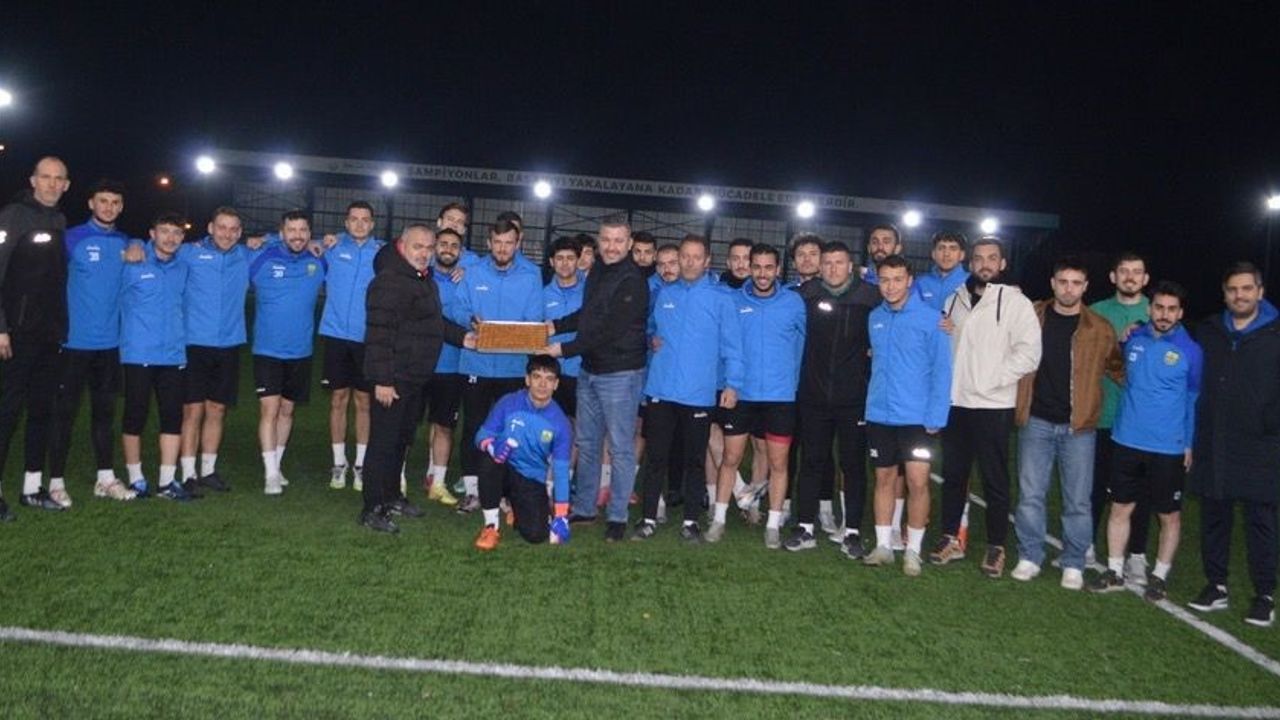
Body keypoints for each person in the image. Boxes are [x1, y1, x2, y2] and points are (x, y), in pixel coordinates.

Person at [930, 237, 1041, 578]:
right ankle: (950, 538)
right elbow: (949, 348)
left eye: (992, 258)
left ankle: (996, 546)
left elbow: (1029, 353)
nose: (985, 264)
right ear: (971, 263)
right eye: (979, 258)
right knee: (953, 475)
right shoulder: (954, 299)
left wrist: (992, 379)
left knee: (995, 480)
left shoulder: (1016, 302)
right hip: (957, 403)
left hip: (994, 404)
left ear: (1002, 264)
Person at [1011, 257, 1123, 590]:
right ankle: (1030, 555)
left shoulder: (1100, 328)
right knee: (1031, 494)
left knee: (1078, 500)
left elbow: (1118, 368)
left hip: (1079, 427)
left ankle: (1074, 562)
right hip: (1036, 420)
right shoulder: (1032, 316)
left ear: (1085, 287)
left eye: (1075, 283)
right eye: (1063, 282)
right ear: (1053, 283)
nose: (1068, 289)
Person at [1089, 281, 1200, 601]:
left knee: (1169, 515)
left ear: (1180, 313)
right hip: (1126, 440)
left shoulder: (1191, 351)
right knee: (1120, 507)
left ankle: (1160, 576)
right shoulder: (1133, 339)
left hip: (1168, 447)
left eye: (1171, 309)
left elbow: (1192, 399)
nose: (1164, 314)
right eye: (1159, 307)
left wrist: (1188, 443)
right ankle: (1114, 571)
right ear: (1150, 309)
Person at [631, 233, 744, 543]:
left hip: (698, 393)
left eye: (696, 257)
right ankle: (648, 518)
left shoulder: (721, 298)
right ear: (678, 259)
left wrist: (733, 384)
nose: (690, 262)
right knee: (656, 458)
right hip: (661, 390)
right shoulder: (664, 294)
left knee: (695, 459)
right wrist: (650, 339)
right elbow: (649, 329)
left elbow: (733, 346)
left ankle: (691, 521)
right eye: (685, 256)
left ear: (707, 261)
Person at [544, 216, 649, 541]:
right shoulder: (597, 270)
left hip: (620, 373)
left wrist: (564, 349)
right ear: (598, 241)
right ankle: (585, 507)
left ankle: (617, 516)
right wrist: (556, 325)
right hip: (590, 370)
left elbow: (608, 330)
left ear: (629, 244)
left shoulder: (633, 280)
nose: (611, 247)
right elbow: (589, 316)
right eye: (606, 240)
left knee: (619, 448)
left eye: (618, 241)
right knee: (587, 443)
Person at [1187, 262, 1280, 628]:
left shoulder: (1275, 333)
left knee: (1261, 521)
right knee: (1215, 516)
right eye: (1232, 290)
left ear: (1260, 291)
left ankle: (1264, 595)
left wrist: (1269, 423)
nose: (1239, 296)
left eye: (1246, 289)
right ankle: (1216, 585)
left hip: (1261, 445)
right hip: (1215, 441)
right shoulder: (1209, 330)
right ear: (1224, 294)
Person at [359, 225, 466, 533]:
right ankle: (372, 507)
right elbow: (379, 334)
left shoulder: (422, 279)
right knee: (383, 443)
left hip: (414, 378)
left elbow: (435, 323)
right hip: (392, 380)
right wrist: (383, 380)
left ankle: (392, 496)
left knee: (401, 441)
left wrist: (465, 337)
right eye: (418, 247)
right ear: (402, 246)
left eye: (429, 248)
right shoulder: (389, 282)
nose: (424, 253)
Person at [785, 240, 880, 557]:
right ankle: (805, 527)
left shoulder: (870, 297)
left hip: (854, 398)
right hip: (813, 396)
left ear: (850, 266)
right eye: (827, 263)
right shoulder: (805, 295)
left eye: (839, 262)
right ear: (820, 267)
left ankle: (852, 531)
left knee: (853, 465)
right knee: (811, 461)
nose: (833, 268)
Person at [709, 244, 805, 548]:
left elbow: (804, 345)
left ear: (778, 269)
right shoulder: (734, 301)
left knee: (778, 463)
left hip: (780, 397)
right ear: (749, 268)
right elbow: (727, 346)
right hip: (742, 394)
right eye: (757, 267)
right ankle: (719, 519)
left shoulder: (793, 302)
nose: (762, 274)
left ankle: (772, 524)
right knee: (731, 458)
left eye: (768, 267)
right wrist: (729, 384)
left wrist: (793, 383)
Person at [862, 255, 952, 575]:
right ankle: (883, 546)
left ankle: (913, 550)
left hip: (917, 418)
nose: (890, 286)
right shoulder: (875, 317)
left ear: (910, 281)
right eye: (885, 280)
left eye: (897, 279)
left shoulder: (933, 320)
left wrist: (936, 416)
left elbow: (942, 371)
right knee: (884, 479)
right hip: (880, 414)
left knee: (917, 482)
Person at [48, 178, 134, 504]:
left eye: (115, 202)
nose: (108, 207)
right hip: (73, 344)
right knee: (64, 415)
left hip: (109, 346)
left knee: (104, 415)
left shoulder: (126, 243)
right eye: (103, 201)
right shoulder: (71, 239)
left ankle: (105, 478)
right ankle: (56, 482)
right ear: (91, 203)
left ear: (121, 207)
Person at [449, 219, 544, 512]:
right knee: (474, 428)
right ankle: (473, 490)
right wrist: (471, 321)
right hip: (475, 365)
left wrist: (504, 334)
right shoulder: (473, 272)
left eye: (508, 243)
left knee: (512, 430)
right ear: (489, 243)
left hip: (513, 368)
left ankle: (504, 492)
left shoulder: (531, 276)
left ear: (518, 244)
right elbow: (457, 308)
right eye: (498, 243)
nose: (503, 249)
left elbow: (534, 319)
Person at [0, 156, 72, 518]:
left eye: (58, 178)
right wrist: (1, 327)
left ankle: (32, 488)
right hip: (15, 334)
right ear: (33, 180)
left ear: (66, 185)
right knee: (7, 413)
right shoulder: (14, 215)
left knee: (42, 411)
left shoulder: (59, 221)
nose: (51, 184)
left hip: (49, 335)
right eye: (45, 177)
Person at [176, 206, 257, 493]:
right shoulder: (189, 253)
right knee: (192, 410)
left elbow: (285, 241)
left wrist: (267, 238)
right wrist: (138, 244)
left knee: (217, 409)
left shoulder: (245, 255)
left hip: (229, 344)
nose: (227, 234)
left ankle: (208, 470)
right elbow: (158, 245)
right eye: (222, 227)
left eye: (234, 229)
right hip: (194, 342)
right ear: (210, 228)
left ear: (240, 232)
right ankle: (188, 473)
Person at [249, 211, 327, 495]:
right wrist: (264, 239)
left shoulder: (318, 260)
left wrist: (324, 242)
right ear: (281, 232)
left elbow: (344, 244)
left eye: (303, 230)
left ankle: (277, 465)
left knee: (287, 410)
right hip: (267, 350)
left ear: (310, 233)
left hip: (301, 351)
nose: (298, 235)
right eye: (291, 230)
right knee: (269, 409)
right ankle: (269, 473)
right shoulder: (261, 258)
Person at [119, 214, 195, 501]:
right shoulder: (133, 262)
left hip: (173, 355)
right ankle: (136, 478)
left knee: (172, 418)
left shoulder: (183, 266)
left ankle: (166, 481)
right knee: (135, 416)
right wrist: (134, 243)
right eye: (164, 231)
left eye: (176, 233)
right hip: (138, 353)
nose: (170, 238)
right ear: (152, 234)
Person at [1089, 252, 1153, 580]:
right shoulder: (1096, 312)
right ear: (1113, 277)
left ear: (1145, 279)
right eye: (1124, 271)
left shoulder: (1157, 312)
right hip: (1101, 415)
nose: (1130, 276)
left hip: (1139, 423)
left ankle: (1137, 554)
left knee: (1138, 492)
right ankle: (1085, 545)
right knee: (1094, 486)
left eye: (1136, 272)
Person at [472, 355, 574, 550]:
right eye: (537, 377)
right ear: (527, 380)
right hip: (503, 468)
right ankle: (491, 527)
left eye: (549, 379)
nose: (542, 384)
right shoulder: (508, 403)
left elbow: (561, 471)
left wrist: (561, 514)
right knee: (488, 462)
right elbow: (481, 435)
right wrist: (493, 448)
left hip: (531, 477)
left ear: (556, 384)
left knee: (536, 535)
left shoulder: (561, 423)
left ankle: (517, 510)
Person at [320, 201, 384, 491]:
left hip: (367, 338)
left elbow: (423, 255)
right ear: (346, 223)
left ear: (372, 224)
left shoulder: (382, 254)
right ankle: (338, 462)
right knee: (338, 399)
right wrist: (267, 238)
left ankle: (360, 464)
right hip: (335, 336)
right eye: (354, 219)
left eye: (365, 219)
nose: (359, 224)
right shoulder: (331, 247)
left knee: (363, 402)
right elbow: (295, 241)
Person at [418, 227, 466, 506]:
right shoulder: (420, 277)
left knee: (445, 427)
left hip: (451, 367)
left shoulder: (465, 281)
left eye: (454, 245)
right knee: (407, 427)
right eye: (443, 244)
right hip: (419, 365)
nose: (448, 249)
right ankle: (397, 479)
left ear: (460, 252)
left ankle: (438, 483)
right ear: (435, 247)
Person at [544, 236, 585, 421]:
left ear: (578, 260)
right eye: (560, 258)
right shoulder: (541, 295)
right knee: (551, 426)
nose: (565, 263)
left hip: (582, 372)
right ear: (551, 262)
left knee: (582, 428)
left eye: (570, 258)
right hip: (551, 373)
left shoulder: (591, 293)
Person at [915, 231, 969, 311]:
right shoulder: (920, 283)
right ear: (933, 254)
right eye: (941, 248)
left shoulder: (971, 282)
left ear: (962, 255)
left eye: (953, 249)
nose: (946, 254)